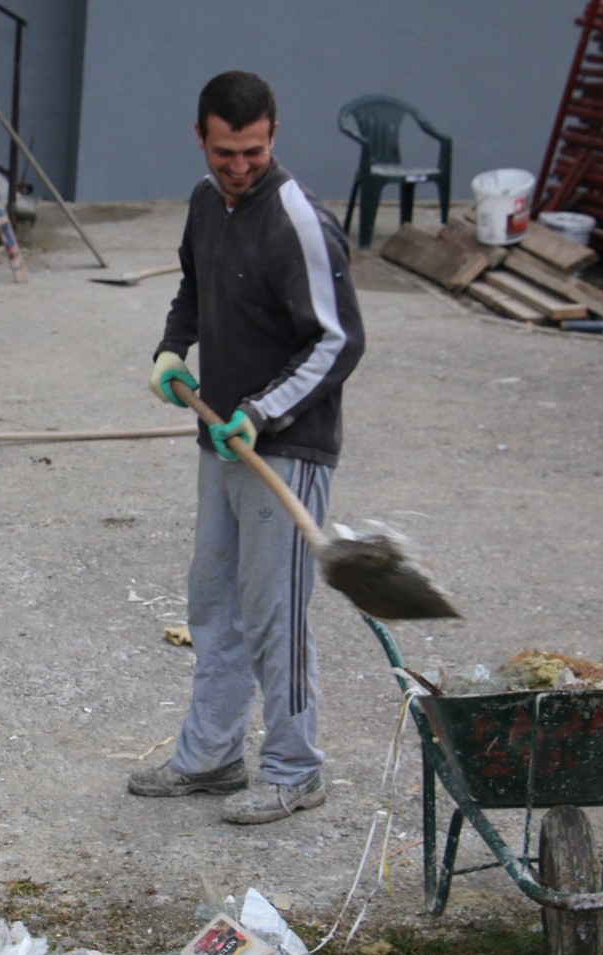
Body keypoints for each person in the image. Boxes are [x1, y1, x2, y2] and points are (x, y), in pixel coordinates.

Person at [129, 71, 365, 825]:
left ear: (273, 136)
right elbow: (193, 290)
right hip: (220, 438)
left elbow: (338, 341)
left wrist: (263, 411)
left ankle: (296, 770)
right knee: (214, 606)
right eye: (225, 152)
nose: (238, 167)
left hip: (286, 449)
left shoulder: (298, 220)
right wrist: (174, 349)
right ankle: (212, 756)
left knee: (273, 618)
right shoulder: (206, 203)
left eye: (253, 152)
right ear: (200, 137)